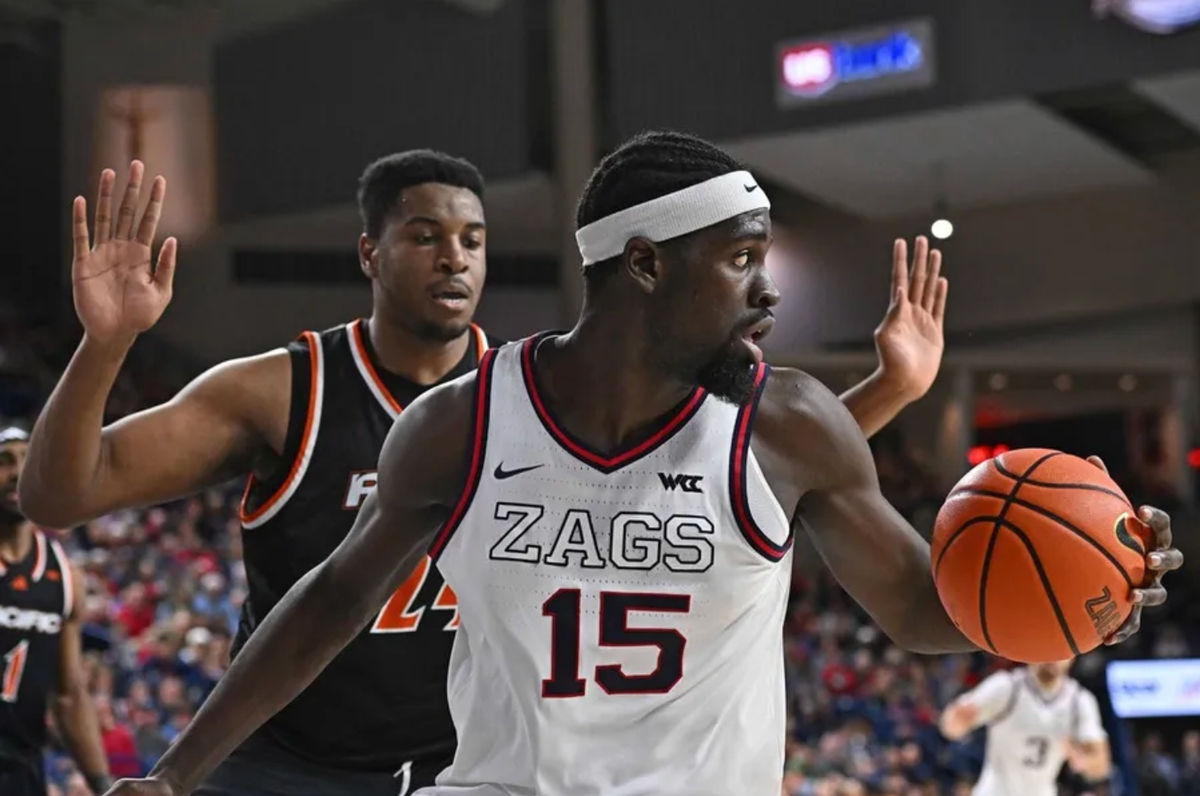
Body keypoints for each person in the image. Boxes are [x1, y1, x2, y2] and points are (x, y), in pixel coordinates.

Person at [94, 130, 1181, 796]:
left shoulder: (789, 423)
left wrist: (1087, 604)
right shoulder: (464, 420)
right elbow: (329, 601)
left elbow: (920, 608)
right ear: (648, 265)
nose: (770, 292)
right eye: (744, 260)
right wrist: (177, 772)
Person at [0, 428, 111, 796]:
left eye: (26, 459)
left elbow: (69, 695)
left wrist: (102, 783)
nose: (16, 471)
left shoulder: (64, 575)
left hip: (23, 771)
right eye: (4, 461)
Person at [939, 659, 1111, 795]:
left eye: (1061, 650)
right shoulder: (1006, 686)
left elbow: (1101, 766)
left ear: (1072, 657)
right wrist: (956, 720)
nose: (1053, 657)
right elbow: (950, 727)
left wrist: (1082, 760)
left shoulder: (1080, 701)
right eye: (1046, 648)